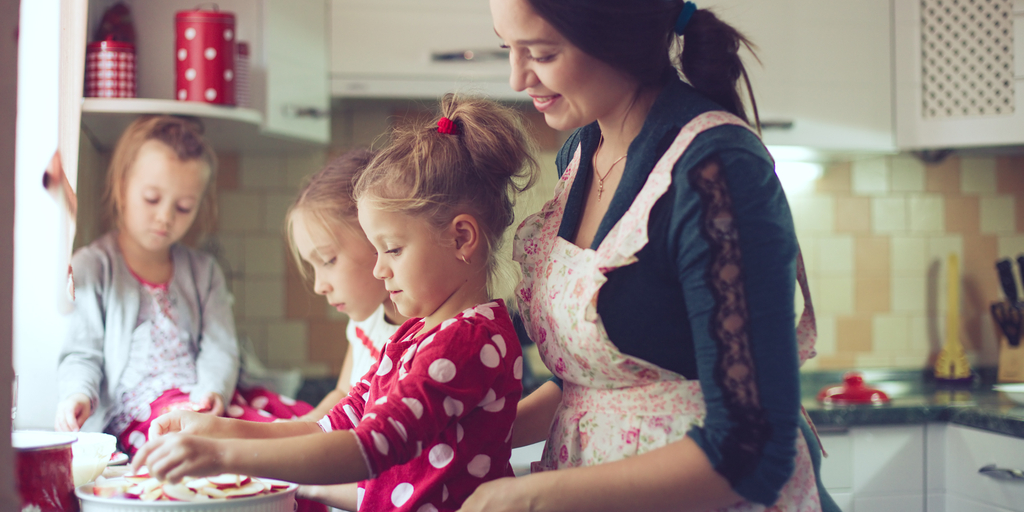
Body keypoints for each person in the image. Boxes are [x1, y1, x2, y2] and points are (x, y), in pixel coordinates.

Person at [459, 1, 839, 511]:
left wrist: (532, 495)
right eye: (509, 49)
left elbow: (751, 449)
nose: (516, 77)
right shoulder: (580, 151)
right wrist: (468, 441)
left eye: (542, 54)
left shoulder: (717, 169)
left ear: (617, 35)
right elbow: (594, 387)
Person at [131, 95, 539, 512]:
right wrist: (216, 431)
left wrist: (221, 456)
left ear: (461, 239)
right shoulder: (416, 335)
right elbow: (331, 425)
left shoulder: (466, 342)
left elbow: (367, 447)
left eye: (393, 250)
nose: (380, 271)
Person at [54, 115, 314, 456]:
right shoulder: (93, 267)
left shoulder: (204, 271)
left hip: (206, 398)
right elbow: (82, 352)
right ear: (121, 186)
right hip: (142, 416)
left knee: (302, 428)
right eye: (151, 199)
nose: (165, 216)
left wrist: (212, 392)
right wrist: (78, 394)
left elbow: (221, 347)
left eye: (183, 207)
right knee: (227, 447)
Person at [286, 149, 408, 423]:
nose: (319, 286)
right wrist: (297, 431)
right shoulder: (366, 323)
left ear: (379, 239)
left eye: (328, 260)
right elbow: (343, 393)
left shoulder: (425, 336)